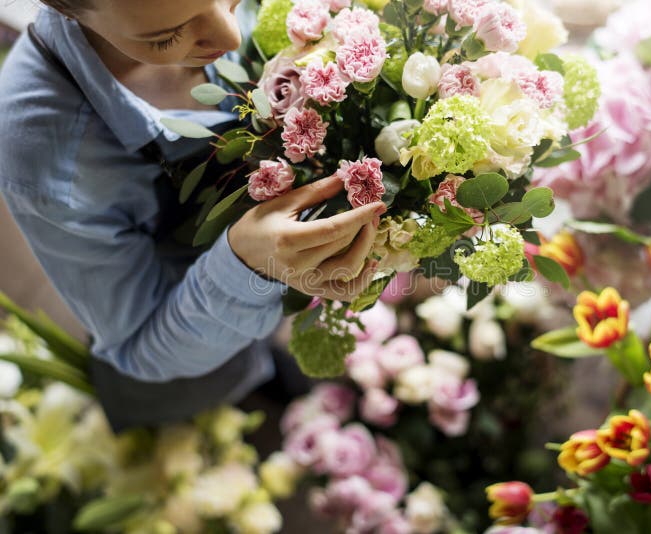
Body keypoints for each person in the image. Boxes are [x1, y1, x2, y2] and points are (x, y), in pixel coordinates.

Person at [0, 0, 385, 430]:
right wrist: (245, 269)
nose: (231, 37)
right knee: (220, 401)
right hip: (182, 355)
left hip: (262, 306)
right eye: (166, 36)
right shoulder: (45, 159)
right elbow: (141, 346)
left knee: (276, 363)